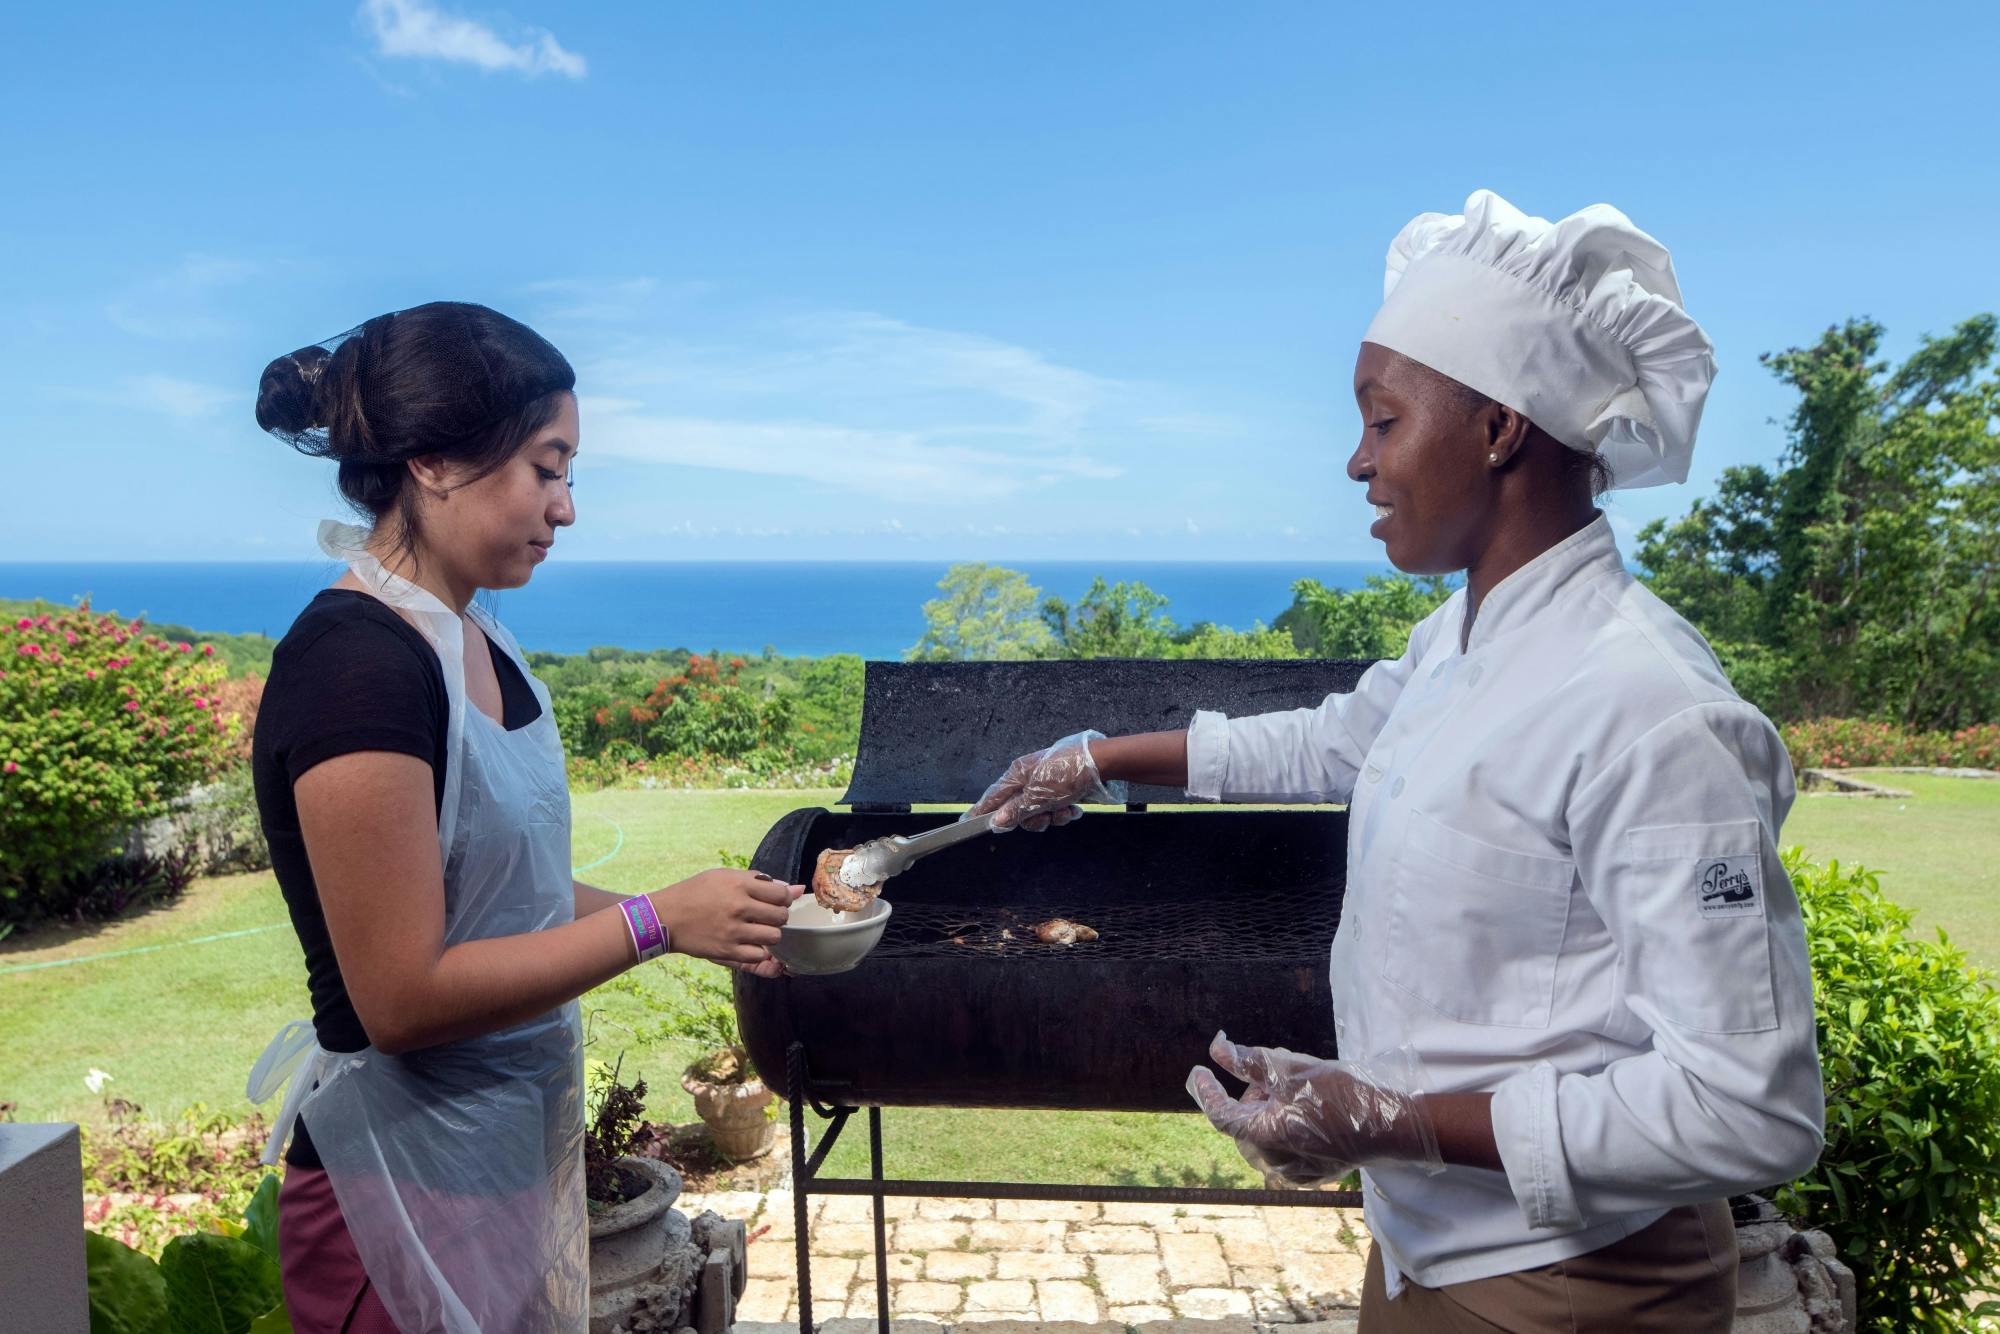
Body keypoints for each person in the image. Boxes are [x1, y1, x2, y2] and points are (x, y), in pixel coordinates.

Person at [968, 193, 1825, 1332]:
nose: (1355, 462)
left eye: (1381, 420)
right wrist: (1094, 758)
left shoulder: (1651, 709)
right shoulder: (1463, 637)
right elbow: (1326, 736)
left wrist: (1394, 1120)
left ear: (1497, 427)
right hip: (1423, 1253)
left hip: (1576, 1285)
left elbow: (1750, 1109)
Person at [244, 302, 801, 1333]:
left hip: (499, 1157)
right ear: (437, 462)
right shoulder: (354, 668)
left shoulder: (475, 639)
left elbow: (510, 889)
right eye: (547, 466)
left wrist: (706, 916)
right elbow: (400, 997)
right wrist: (653, 923)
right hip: (394, 1188)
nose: (566, 506)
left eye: (567, 472)